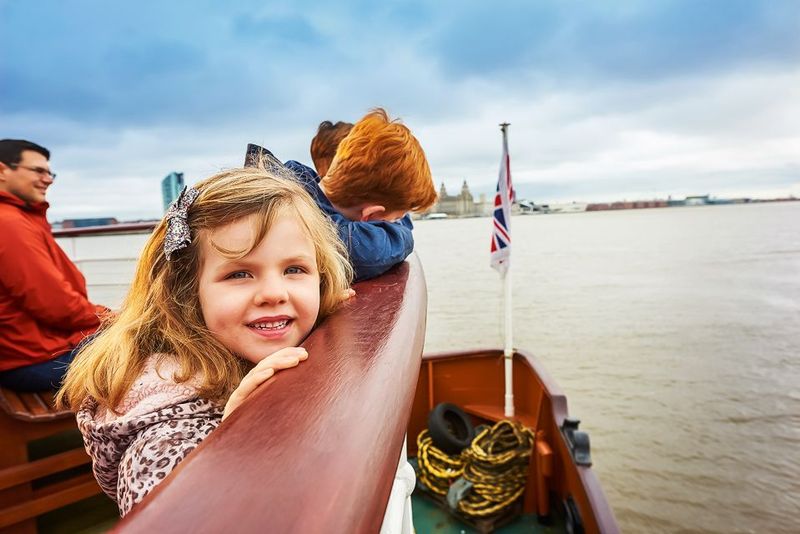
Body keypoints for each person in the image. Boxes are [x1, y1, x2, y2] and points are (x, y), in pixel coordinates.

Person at [57, 165, 353, 516]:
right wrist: (232, 442)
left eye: (294, 270)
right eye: (239, 274)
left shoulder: (236, 341)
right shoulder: (160, 436)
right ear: (186, 293)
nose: (274, 293)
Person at [246, 108, 438, 281]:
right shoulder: (318, 231)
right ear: (370, 216)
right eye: (395, 220)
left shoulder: (296, 182)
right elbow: (376, 251)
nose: (400, 223)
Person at [0, 139, 106, 391]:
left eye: (49, 172)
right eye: (38, 170)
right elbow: (56, 306)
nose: (48, 179)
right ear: (2, 171)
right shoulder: (8, 223)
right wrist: (108, 316)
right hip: (34, 360)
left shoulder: (20, 219)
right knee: (153, 340)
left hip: (30, 351)